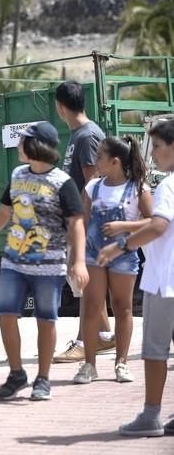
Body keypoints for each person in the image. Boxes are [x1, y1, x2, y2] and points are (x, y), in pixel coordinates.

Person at [0, 122, 88, 401]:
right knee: (6, 316)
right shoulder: (16, 175)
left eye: (23, 141)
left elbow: (76, 223)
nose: (18, 146)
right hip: (14, 261)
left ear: (36, 145)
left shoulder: (63, 182)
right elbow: (4, 211)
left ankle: (43, 378)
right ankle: (16, 374)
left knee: (46, 320)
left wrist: (79, 261)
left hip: (49, 265)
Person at [98, 119, 174, 437]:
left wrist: (121, 246)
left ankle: (151, 415)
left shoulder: (168, 186)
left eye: (157, 147)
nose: (152, 154)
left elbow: (158, 226)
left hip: (165, 281)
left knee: (155, 352)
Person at [73, 136, 153, 385]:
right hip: (94, 255)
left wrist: (123, 226)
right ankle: (89, 364)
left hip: (124, 255)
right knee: (92, 307)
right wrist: (75, 257)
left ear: (115, 162)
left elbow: (155, 221)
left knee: (122, 307)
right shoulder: (92, 187)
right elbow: (81, 223)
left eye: (99, 157)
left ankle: (122, 362)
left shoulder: (138, 188)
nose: (95, 161)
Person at [54, 79, 115, 363]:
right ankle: (103, 335)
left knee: (83, 279)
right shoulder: (79, 135)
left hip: (86, 223)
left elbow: (93, 181)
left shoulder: (87, 136)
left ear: (61, 107)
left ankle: (84, 340)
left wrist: (77, 221)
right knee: (86, 282)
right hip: (80, 220)